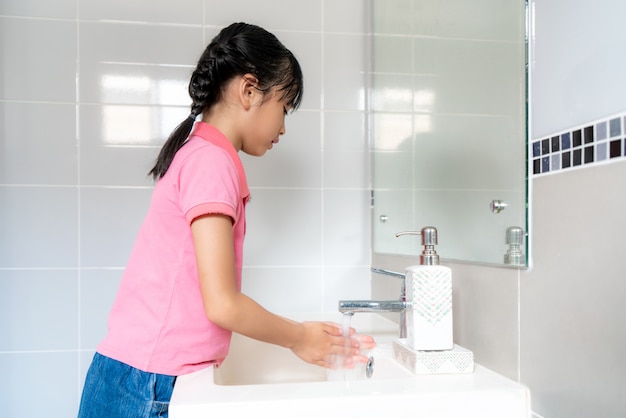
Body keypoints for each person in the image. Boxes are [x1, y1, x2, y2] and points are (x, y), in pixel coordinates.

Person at [77, 22, 375, 418]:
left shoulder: (201, 153)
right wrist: (299, 337)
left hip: (139, 376)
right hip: (147, 382)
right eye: (283, 108)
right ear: (249, 90)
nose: (283, 127)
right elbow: (221, 304)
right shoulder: (212, 162)